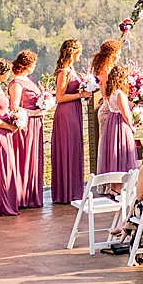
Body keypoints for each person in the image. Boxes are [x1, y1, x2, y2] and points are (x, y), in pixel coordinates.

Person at [49, 38, 89, 206]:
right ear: (73, 52)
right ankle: (66, 191)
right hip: (67, 113)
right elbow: (60, 96)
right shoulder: (64, 72)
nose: (81, 55)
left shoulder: (71, 69)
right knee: (68, 147)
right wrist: (81, 95)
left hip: (74, 110)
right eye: (79, 51)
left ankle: (73, 189)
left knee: (74, 147)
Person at [0, 59, 25, 216]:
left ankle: (6, 201)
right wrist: (9, 126)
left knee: (6, 164)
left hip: (3, 130)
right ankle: (1, 203)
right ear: (2, 72)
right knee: (2, 165)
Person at [9, 50, 47, 209]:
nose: (35, 66)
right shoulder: (17, 83)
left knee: (34, 158)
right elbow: (15, 108)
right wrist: (35, 113)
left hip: (35, 123)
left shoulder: (28, 80)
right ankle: (22, 196)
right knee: (24, 157)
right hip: (26, 125)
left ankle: (32, 194)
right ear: (27, 65)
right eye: (34, 63)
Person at [95, 61, 139, 178]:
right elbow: (125, 113)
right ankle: (122, 184)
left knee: (113, 153)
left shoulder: (110, 93)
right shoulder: (119, 93)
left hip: (111, 121)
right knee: (122, 152)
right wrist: (132, 126)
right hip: (120, 123)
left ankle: (114, 186)